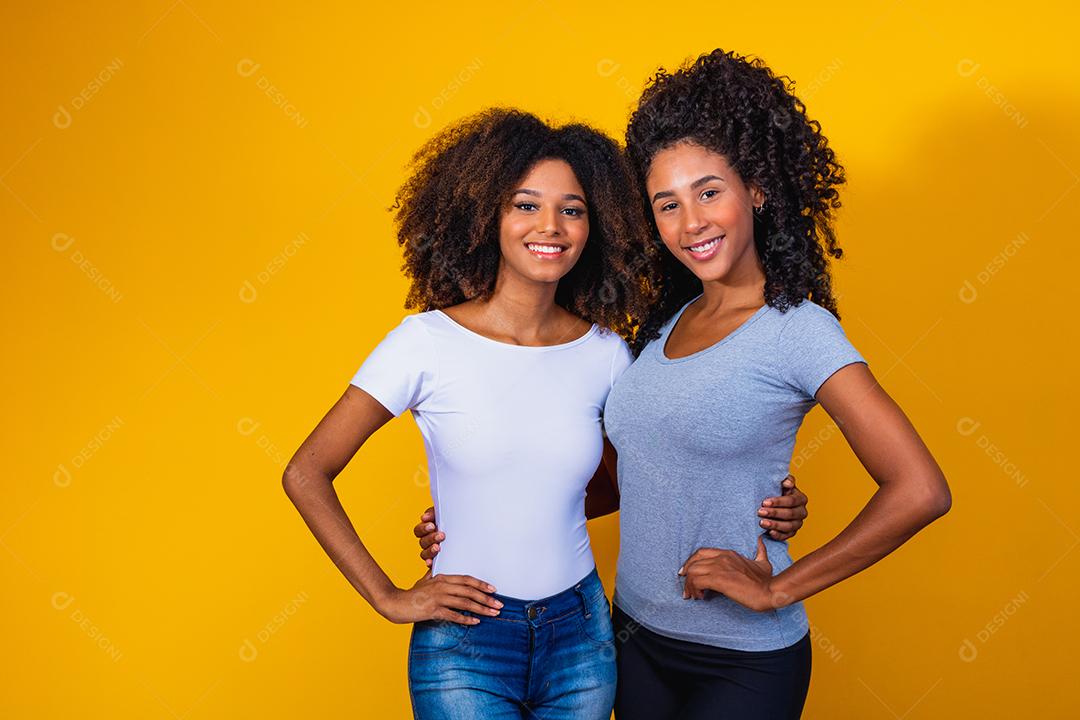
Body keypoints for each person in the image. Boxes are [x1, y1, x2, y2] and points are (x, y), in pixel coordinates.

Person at [419, 49, 952, 720]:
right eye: (666, 204)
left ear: (755, 188)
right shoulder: (662, 328)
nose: (690, 222)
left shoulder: (798, 329)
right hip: (634, 640)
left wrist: (779, 588)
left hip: (742, 661)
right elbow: (623, 483)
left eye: (708, 191)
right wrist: (480, 514)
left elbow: (921, 490)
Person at [283, 107, 808, 720]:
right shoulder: (422, 344)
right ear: (488, 216)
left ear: (596, 226)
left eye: (573, 209)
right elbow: (305, 472)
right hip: (466, 640)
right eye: (526, 205)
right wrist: (388, 596)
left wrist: (764, 503)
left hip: (582, 633)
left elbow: (639, 479)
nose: (551, 226)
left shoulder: (609, 355)